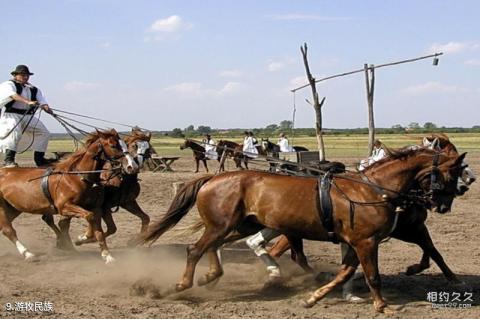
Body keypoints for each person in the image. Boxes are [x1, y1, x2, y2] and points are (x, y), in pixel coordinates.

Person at [0, 65, 54, 167]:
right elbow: (13, 95)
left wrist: (47, 108)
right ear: (15, 75)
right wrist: (28, 102)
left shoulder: (33, 89)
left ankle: (39, 159)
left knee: (44, 133)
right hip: (12, 115)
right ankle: (9, 160)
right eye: (23, 75)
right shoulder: (9, 84)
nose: (25, 77)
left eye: (27, 75)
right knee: (14, 133)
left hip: (28, 116)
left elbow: (42, 101)